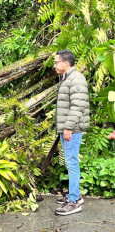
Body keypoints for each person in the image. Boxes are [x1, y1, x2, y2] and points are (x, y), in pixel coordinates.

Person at [53, 50, 90, 215]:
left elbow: (78, 105)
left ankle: (74, 201)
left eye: (56, 62)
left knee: (72, 162)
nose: (54, 65)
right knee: (70, 162)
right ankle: (76, 195)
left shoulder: (76, 79)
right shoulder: (67, 78)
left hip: (72, 129)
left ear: (66, 63)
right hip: (69, 128)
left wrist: (68, 127)